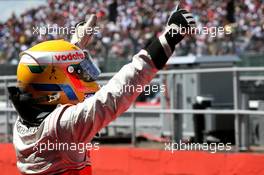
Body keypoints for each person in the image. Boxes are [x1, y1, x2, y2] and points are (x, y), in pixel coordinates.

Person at [8, 7, 195, 175]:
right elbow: (119, 90)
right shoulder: (64, 127)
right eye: (79, 72)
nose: (85, 77)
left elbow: (49, 71)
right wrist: (171, 35)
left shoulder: (26, 117)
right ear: (56, 80)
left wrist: (76, 44)